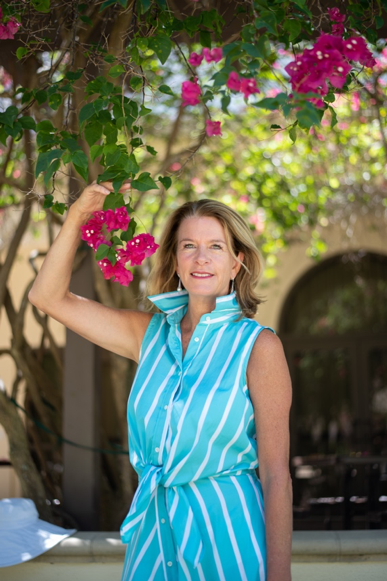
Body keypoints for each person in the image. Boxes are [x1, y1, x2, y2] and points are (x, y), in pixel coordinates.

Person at [28, 181, 293, 581]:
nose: (201, 258)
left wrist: (279, 576)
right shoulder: (148, 335)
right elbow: (47, 297)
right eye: (189, 246)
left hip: (227, 542)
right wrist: (79, 215)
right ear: (174, 260)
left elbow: (275, 476)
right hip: (153, 537)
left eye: (215, 246)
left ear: (237, 263)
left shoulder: (259, 347)